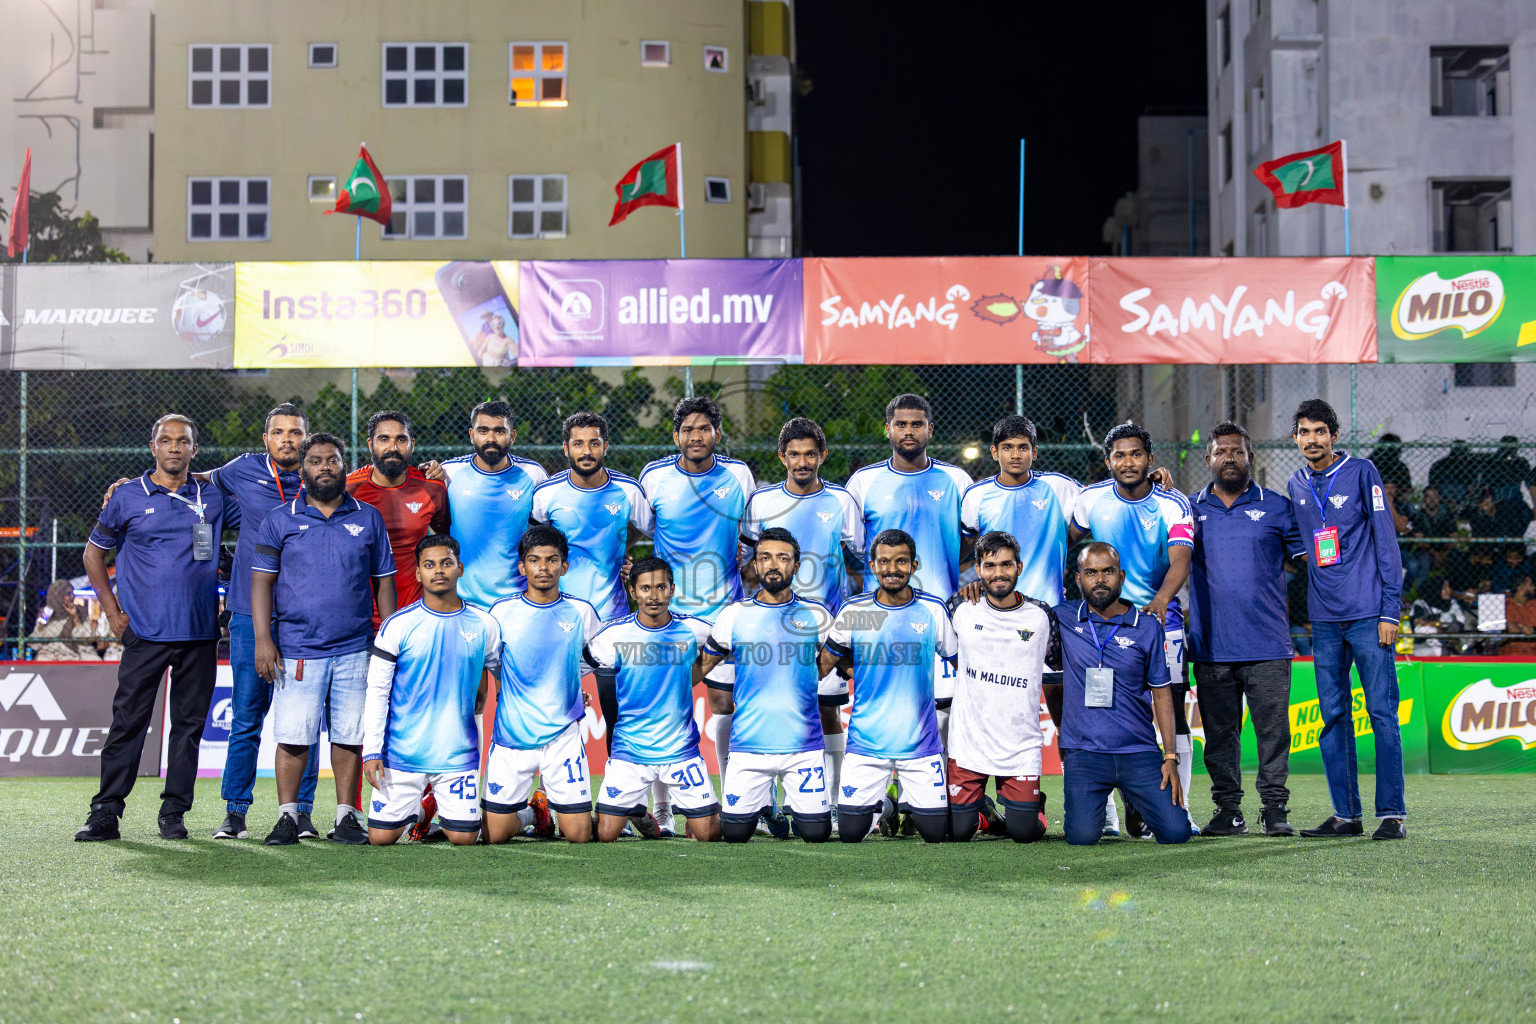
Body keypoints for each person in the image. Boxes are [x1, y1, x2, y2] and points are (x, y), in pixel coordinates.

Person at [76, 414, 234, 842]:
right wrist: (112, 612)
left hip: (200, 633)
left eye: (183, 441)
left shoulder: (214, 498)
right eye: (166, 440)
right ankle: (106, 812)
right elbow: (93, 555)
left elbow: (260, 510)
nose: (174, 447)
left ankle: (173, 812)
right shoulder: (127, 496)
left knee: (188, 728)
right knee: (127, 723)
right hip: (144, 633)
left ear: (194, 450)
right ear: (153, 448)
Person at [252, 432, 397, 846]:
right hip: (297, 648)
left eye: (332, 460)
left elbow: (383, 584)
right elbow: (261, 583)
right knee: (294, 736)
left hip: (355, 647)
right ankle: (288, 817)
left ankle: (346, 816)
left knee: (349, 734)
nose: (325, 468)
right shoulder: (281, 519)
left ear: (344, 466)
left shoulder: (367, 517)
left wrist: (387, 643)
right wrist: (265, 638)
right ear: (303, 468)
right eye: (315, 461)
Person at [1287, 399, 1406, 840]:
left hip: (1368, 616)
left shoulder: (1362, 472)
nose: (1312, 439)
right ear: (1296, 438)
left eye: (1320, 431)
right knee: (1334, 716)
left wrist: (1390, 609)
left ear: (1333, 435)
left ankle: (1392, 814)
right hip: (1324, 619)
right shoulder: (1297, 482)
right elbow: (1300, 539)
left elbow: (1386, 541)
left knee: (1381, 713)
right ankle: (1346, 815)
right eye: (1304, 432)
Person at [1070, 422, 1196, 836]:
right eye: (1120, 455)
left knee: (1172, 711)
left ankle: (1181, 802)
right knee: (1098, 711)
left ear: (1150, 459)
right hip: (1101, 622)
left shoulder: (1173, 502)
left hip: (1159, 621)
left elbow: (1181, 560)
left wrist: (1159, 601)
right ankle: (1104, 810)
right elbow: (1069, 547)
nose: (1128, 462)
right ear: (1108, 461)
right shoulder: (1090, 500)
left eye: (1136, 454)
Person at [738, 417, 863, 825]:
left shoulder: (842, 502)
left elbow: (861, 560)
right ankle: (762, 804)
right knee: (768, 709)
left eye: (811, 454)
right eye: (794, 454)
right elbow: (745, 563)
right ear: (782, 457)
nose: (803, 461)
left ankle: (833, 799)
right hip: (769, 629)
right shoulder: (760, 502)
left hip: (820, 630)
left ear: (823, 456)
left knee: (828, 712)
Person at [637, 396, 753, 832]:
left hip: (724, 611)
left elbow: (749, 532)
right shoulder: (654, 477)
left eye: (704, 428)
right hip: (671, 616)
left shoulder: (738, 474)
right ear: (676, 436)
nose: (696, 436)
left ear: (717, 434)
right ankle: (663, 809)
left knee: (724, 703)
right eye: (687, 429)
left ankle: (731, 801)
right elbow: (646, 528)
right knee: (663, 708)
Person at [206, 403, 320, 840]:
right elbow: (197, 481)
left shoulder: (321, 477)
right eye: (279, 432)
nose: (288, 439)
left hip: (303, 617)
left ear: (306, 437)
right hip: (246, 613)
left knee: (304, 719)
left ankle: (302, 811)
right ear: (266, 438)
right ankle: (235, 812)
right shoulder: (241, 470)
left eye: (295, 432)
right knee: (247, 717)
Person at [1187, 422, 1302, 838]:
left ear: (1250, 458)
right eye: (1222, 452)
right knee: (1220, 736)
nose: (1230, 458)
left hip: (1268, 644)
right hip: (1211, 646)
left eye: (1237, 451)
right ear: (1209, 459)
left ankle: (1274, 810)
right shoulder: (1187, 508)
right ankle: (1227, 811)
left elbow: (1308, 561)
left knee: (1274, 733)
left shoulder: (1277, 506)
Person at [818, 529, 957, 844]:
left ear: (914, 565)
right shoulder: (856, 612)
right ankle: (890, 806)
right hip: (867, 744)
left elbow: (961, 662)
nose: (892, 568)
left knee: (935, 834)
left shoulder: (932, 610)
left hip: (921, 745)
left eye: (901, 561)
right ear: (872, 565)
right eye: (884, 561)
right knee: (850, 834)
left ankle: (896, 802)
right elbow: (824, 664)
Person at [363, 535, 499, 846]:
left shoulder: (484, 624)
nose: (438, 570)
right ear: (418, 573)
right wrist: (372, 751)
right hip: (401, 754)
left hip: (457, 754)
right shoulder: (398, 625)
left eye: (446, 563)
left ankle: (433, 806)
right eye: (429, 565)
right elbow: (377, 692)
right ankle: (421, 812)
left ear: (459, 569)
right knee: (380, 839)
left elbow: (506, 678)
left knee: (464, 838)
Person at [702, 528, 834, 843]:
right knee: (734, 835)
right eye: (765, 558)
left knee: (815, 834)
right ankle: (769, 807)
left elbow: (840, 663)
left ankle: (802, 812)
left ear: (797, 565)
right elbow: (702, 666)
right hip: (749, 746)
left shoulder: (817, 615)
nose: (773, 565)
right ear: (756, 565)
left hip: (803, 747)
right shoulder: (734, 615)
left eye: (782, 558)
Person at [1053, 542, 1188, 846]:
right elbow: (1015, 608)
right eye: (1091, 573)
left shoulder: (1147, 627)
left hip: (1137, 752)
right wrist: (976, 590)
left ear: (1122, 576)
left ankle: (1133, 797)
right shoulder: (1061, 618)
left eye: (1107, 572)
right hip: (1085, 754)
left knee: (1176, 833)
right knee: (1081, 837)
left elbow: (1163, 694)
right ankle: (1120, 799)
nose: (1099, 580)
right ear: (1078, 579)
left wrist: (1169, 757)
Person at [587, 557, 722, 842]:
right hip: (630, 752)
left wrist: (693, 674)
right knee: (604, 834)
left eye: (661, 587)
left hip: (680, 750)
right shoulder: (612, 635)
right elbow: (577, 666)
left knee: (709, 835)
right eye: (645, 589)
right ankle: (640, 814)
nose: (654, 596)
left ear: (672, 590)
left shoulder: (696, 630)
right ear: (633, 592)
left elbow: (724, 647)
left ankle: (698, 814)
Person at [483, 525, 603, 844]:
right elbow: (495, 663)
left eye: (552, 560)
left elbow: (593, 658)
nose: (543, 568)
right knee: (492, 834)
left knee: (579, 834)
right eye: (534, 560)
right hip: (513, 734)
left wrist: (567, 685)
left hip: (562, 735)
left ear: (564, 566)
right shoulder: (501, 612)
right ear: (522, 566)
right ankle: (533, 813)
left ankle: (606, 810)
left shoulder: (582, 612)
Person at [945, 531, 1060, 844]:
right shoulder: (958, 607)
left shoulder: (1041, 615)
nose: (998, 573)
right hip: (969, 742)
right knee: (956, 832)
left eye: (1006, 565)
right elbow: (952, 655)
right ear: (979, 570)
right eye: (990, 565)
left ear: (1019, 568)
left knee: (1025, 833)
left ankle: (1033, 805)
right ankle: (986, 812)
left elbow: (1057, 670)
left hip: (1018, 745)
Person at [529, 412, 651, 623]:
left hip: (612, 613)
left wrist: (618, 548)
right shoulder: (546, 493)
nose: (586, 452)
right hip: (558, 612)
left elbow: (652, 529)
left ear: (605, 447)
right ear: (566, 449)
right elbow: (534, 543)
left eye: (594, 443)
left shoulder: (629, 490)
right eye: (578, 444)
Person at [435, 400, 548, 608]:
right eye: (483, 431)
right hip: (461, 599)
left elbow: (552, 533)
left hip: (517, 600)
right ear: (472, 435)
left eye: (499, 431)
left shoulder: (533, 475)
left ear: (512, 436)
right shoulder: (448, 473)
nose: (491, 439)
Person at [960, 415, 1081, 606]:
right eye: (1007, 447)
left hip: (1048, 606)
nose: (1015, 455)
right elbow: (962, 546)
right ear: (994, 452)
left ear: (1034, 452)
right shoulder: (977, 494)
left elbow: (1096, 503)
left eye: (1023, 447)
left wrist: (1059, 545)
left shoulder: (1058, 486)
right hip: (996, 607)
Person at [347, 410, 449, 618]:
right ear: (370, 444)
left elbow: (444, 541)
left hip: (416, 612)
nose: (392, 448)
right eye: (383, 439)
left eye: (400, 439)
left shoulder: (431, 488)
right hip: (359, 616)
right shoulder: (348, 489)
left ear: (412, 443)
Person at [29, 580, 97, 662]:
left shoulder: (81, 612)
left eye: (72, 593)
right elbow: (34, 644)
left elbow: (86, 639)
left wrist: (75, 617)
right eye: (68, 594)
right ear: (58, 596)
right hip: (49, 654)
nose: (72, 597)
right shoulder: (47, 613)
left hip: (73, 653)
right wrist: (41, 624)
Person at [1501, 574, 1536, 655]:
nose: (1534, 588)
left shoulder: (1534, 605)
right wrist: (1507, 627)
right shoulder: (1504, 605)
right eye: (1531, 585)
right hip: (1511, 653)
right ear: (1520, 587)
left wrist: (1533, 630)